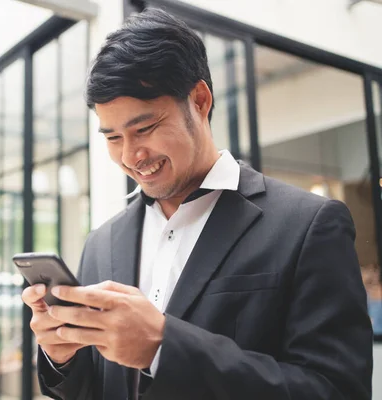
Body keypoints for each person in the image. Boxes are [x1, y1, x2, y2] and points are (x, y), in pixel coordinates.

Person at [21, 8, 373, 400]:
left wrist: (162, 347)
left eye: (145, 128)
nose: (131, 155)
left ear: (200, 100)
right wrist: (61, 357)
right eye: (113, 138)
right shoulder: (102, 243)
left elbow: (337, 390)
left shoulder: (308, 225)